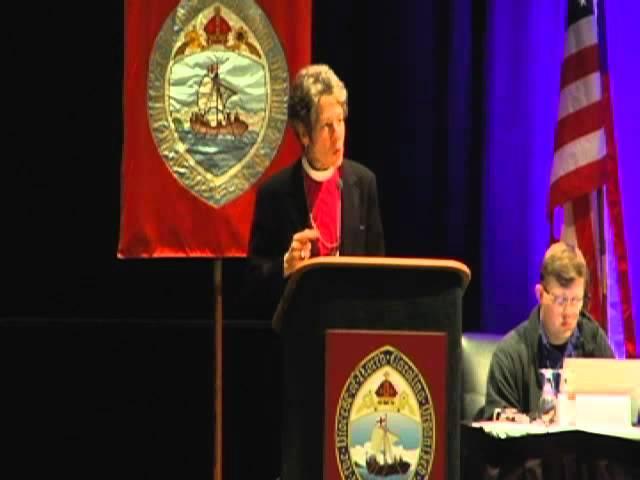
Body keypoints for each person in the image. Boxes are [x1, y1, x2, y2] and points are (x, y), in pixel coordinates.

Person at [246, 64, 385, 317]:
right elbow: (254, 282)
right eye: (326, 126)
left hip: (352, 330)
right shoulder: (275, 194)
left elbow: (379, 273)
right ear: (303, 133)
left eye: (340, 121)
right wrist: (285, 266)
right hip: (300, 333)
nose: (338, 135)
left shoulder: (364, 184)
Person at [483, 241, 613, 420]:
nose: (568, 312)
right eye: (560, 300)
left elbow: (617, 411)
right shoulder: (510, 355)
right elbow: (495, 429)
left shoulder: (595, 342)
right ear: (540, 295)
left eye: (576, 300)